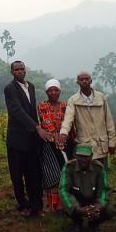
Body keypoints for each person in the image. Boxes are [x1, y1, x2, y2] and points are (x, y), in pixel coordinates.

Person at [4, 61, 50, 217]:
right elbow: (16, 111)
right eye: (16, 69)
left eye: (22, 69)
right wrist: (37, 127)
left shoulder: (30, 86)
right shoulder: (10, 89)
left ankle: (36, 205)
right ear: (12, 72)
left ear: (26, 70)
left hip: (31, 139)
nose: (20, 71)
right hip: (16, 138)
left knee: (34, 172)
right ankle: (22, 204)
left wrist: (39, 128)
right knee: (17, 174)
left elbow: (31, 111)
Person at [58, 71, 116, 166]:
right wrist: (63, 133)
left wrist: (112, 142)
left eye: (87, 79)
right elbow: (68, 118)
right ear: (78, 82)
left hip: (101, 144)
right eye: (82, 79)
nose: (84, 81)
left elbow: (109, 121)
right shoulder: (73, 100)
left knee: (101, 174)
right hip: (84, 145)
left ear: (91, 81)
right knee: (85, 176)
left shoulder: (101, 97)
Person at [59, 144, 113, 232]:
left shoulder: (99, 168)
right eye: (80, 156)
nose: (83, 159)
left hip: (93, 201)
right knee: (67, 206)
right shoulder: (69, 167)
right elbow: (63, 190)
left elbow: (104, 189)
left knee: (109, 210)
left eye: (86, 157)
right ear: (76, 156)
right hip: (77, 202)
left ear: (91, 156)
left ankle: (94, 224)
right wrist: (76, 208)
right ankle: (77, 224)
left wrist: (99, 206)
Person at [38, 79, 74, 211]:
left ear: (60, 91)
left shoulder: (66, 105)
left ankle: (66, 203)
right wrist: (56, 138)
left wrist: (66, 138)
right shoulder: (42, 105)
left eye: (56, 90)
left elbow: (70, 122)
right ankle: (54, 205)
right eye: (50, 90)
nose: (53, 92)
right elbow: (46, 122)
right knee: (52, 174)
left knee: (66, 173)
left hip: (66, 143)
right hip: (49, 144)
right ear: (46, 92)